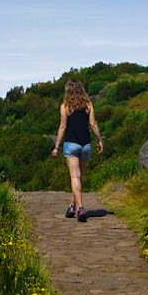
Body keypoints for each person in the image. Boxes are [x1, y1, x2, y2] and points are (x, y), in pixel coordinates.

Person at [51, 79, 103, 221]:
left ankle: (79, 208)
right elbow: (92, 124)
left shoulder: (65, 106)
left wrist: (56, 146)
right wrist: (99, 140)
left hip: (71, 144)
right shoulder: (88, 105)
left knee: (75, 177)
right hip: (85, 144)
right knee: (80, 176)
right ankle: (72, 206)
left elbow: (62, 127)